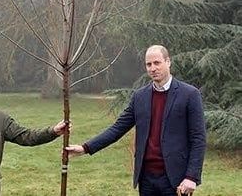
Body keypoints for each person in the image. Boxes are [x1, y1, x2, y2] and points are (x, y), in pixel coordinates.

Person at [66, 45, 206, 196]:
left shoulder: (189, 94)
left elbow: (198, 138)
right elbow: (117, 129)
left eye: (157, 63)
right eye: (149, 64)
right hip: (146, 178)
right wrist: (85, 148)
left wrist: (191, 177)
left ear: (168, 62)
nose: (153, 68)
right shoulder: (140, 97)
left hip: (176, 180)